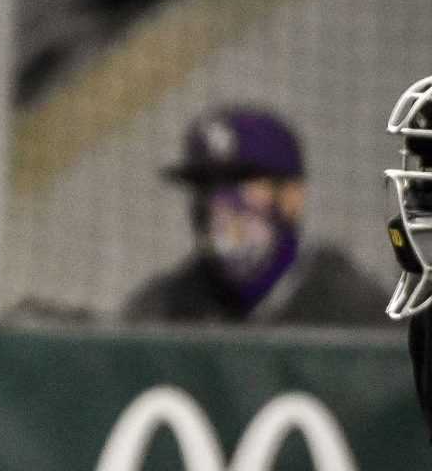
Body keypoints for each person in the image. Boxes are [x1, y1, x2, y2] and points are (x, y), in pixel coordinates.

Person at [121, 106, 382, 324]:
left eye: (239, 180)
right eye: (204, 184)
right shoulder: (163, 309)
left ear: (292, 195)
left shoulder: (354, 308)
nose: (217, 202)